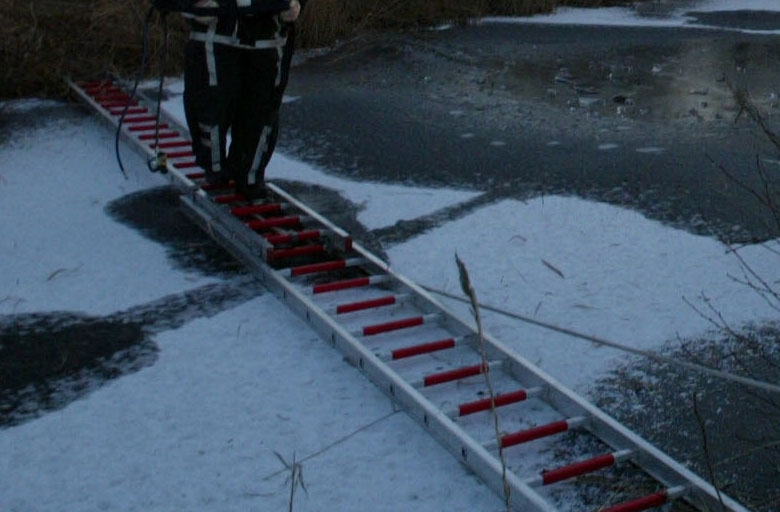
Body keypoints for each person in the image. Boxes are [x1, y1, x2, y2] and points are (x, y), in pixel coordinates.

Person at [181, 0, 305, 199]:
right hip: (215, 36)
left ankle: (248, 176)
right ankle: (214, 168)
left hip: (267, 40)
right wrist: (192, 6)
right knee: (210, 109)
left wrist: (296, 4)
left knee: (261, 115)